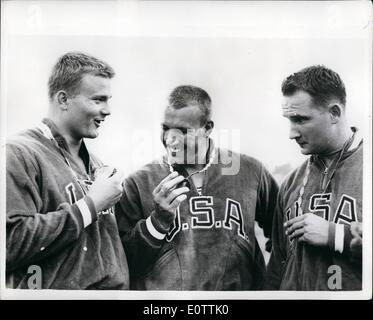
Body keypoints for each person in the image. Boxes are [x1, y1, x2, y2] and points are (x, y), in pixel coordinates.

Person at [116, 85, 278, 290]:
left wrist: (269, 287)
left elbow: (282, 234)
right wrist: (157, 222)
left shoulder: (250, 171)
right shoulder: (138, 183)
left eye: (183, 131)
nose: (170, 139)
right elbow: (123, 264)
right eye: (165, 128)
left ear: (207, 128)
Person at [6, 52, 129, 289]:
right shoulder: (18, 153)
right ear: (63, 99)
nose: (108, 110)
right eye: (98, 100)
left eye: (108, 99)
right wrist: (90, 205)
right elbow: (10, 244)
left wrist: (160, 220)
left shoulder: (98, 165)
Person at [265, 65, 363, 290]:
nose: (292, 133)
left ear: (334, 113)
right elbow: (277, 270)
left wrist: (335, 235)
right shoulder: (290, 183)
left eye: (301, 119)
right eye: (289, 120)